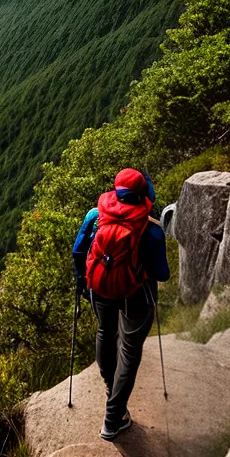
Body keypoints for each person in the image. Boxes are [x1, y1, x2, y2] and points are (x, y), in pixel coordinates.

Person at [72, 168, 169, 441]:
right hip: (135, 295)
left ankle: (110, 389)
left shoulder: (95, 217)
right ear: (143, 195)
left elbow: (78, 251)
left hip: (100, 288)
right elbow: (162, 274)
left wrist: (81, 280)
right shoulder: (151, 230)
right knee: (129, 349)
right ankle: (112, 419)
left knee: (105, 333)